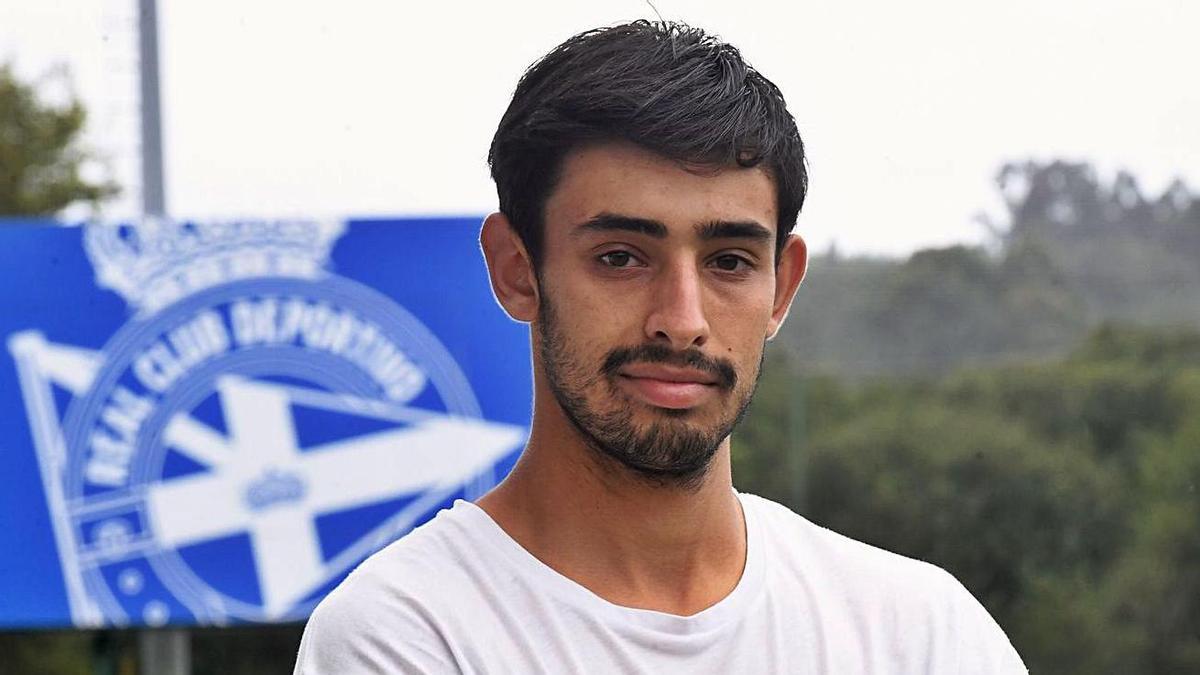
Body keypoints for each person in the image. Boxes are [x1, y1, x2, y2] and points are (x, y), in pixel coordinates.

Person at [294, 20, 1027, 674]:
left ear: (781, 286)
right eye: (620, 256)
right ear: (517, 270)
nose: (681, 321)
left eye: (729, 261)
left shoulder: (919, 633)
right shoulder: (405, 635)